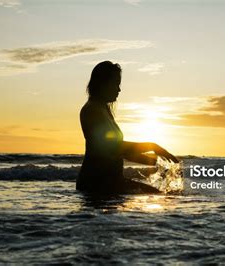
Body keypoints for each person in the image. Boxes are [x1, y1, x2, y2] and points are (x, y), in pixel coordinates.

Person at [77, 61, 179, 194]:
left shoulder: (104, 110)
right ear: (103, 83)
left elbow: (119, 152)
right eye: (116, 84)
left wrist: (157, 163)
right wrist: (151, 147)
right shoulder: (91, 111)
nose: (119, 89)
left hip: (112, 182)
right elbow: (113, 147)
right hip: (96, 184)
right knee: (158, 195)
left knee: (160, 195)